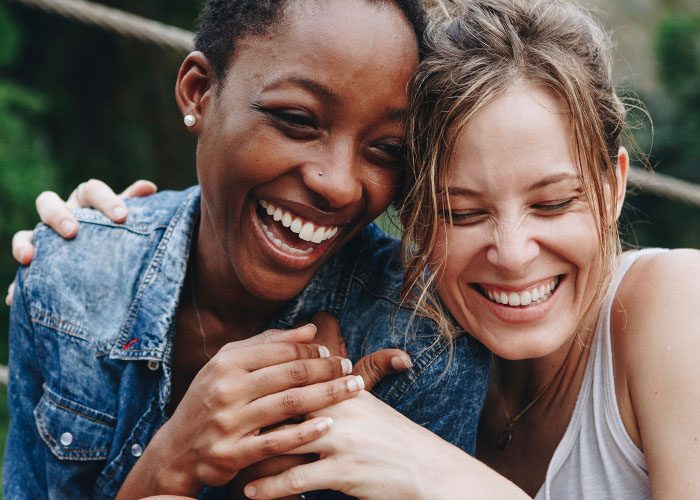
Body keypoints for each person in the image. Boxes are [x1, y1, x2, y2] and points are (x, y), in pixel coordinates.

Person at [3, 1, 492, 498]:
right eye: (298, 120)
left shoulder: (422, 348)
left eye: (386, 149)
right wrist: (172, 461)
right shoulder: (69, 280)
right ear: (199, 92)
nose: (340, 185)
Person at [224, 0, 700, 498]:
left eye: (553, 203)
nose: (513, 254)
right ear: (414, 219)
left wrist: (435, 472)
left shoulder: (675, 305)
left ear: (612, 187)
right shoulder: (409, 355)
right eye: (463, 213)